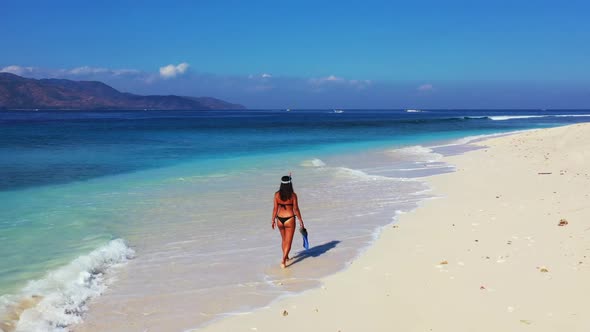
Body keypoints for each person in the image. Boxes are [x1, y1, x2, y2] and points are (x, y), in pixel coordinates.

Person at [272, 174, 305, 268]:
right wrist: (301, 220)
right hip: (290, 219)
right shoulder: (293, 195)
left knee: (284, 240)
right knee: (288, 241)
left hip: (279, 219)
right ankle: (283, 260)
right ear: (290, 184)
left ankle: (286, 257)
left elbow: (275, 209)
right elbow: (296, 209)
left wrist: (273, 220)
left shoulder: (277, 195)